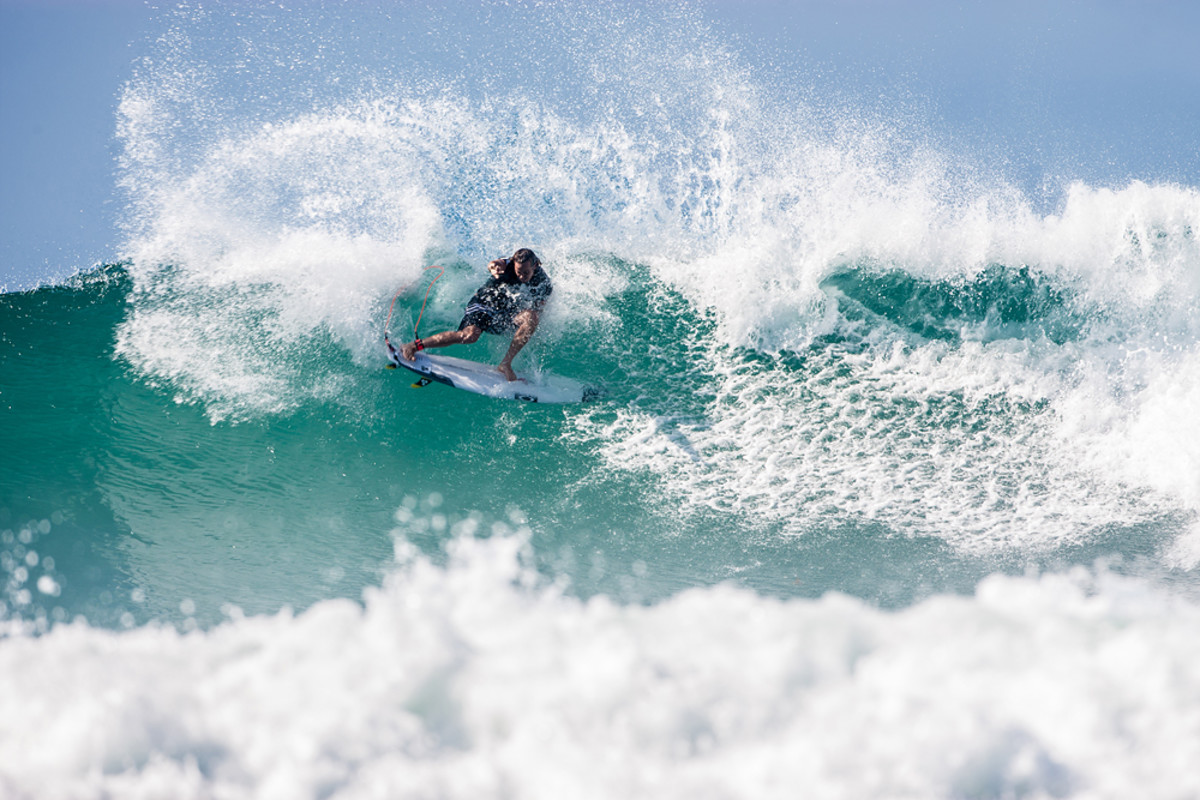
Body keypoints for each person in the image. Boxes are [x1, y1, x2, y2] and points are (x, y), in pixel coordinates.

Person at [400, 248, 552, 381]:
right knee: (469, 336)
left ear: (535, 265)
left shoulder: (543, 283)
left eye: (526, 273)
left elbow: (539, 308)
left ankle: (505, 364)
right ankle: (413, 346)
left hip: (504, 314)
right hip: (484, 304)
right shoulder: (508, 265)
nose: (521, 276)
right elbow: (494, 264)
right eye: (519, 272)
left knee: (532, 317)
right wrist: (493, 268)